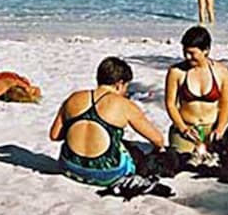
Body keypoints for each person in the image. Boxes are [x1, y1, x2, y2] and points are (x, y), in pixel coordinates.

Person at [50, 57, 166, 186]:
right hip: (109, 173)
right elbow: (158, 139)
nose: (125, 91)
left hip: (69, 167)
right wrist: (158, 148)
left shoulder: (74, 98)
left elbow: (54, 136)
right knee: (133, 151)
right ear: (119, 84)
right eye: (126, 87)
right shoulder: (124, 105)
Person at [164, 26, 228, 153]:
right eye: (185, 52)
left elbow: (226, 103)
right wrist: (183, 128)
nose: (187, 57)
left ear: (206, 50)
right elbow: (170, 104)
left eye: (192, 53)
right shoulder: (176, 72)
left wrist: (220, 128)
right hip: (186, 128)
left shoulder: (222, 72)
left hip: (211, 128)